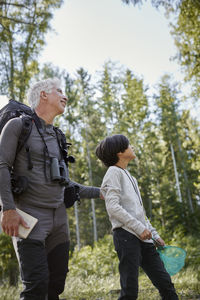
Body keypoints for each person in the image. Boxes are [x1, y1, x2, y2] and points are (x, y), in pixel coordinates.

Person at [0, 78, 100, 300]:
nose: (65, 96)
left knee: (56, 284)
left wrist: (101, 191)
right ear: (43, 95)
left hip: (59, 221)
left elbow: (66, 184)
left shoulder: (58, 136)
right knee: (36, 286)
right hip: (28, 218)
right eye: (60, 91)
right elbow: (2, 166)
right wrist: (7, 209)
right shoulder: (17, 126)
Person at [95, 134, 179, 300]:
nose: (132, 147)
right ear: (120, 152)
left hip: (145, 238)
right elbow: (112, 207)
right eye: (129, 145)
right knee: (130, 289)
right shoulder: (113, 172)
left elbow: (139, 212)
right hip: (126, 237)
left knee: (165, 283)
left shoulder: (130, 177)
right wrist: (139, 228)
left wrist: (154, 234)